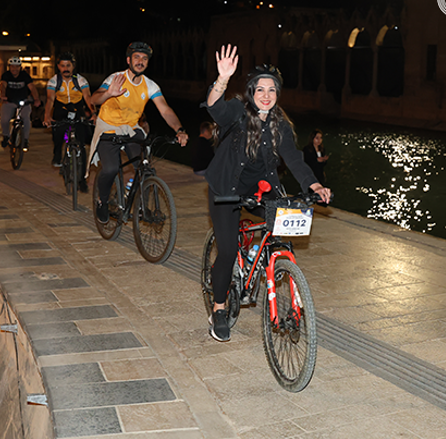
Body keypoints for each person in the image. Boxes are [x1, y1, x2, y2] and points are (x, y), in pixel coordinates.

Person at [202, 45, 331, 342]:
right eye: (260, 89)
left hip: (261, 188)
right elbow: (214, 108)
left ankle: (286, 289)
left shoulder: (280, 124)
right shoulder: (237, 111)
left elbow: (294, 159)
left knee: (283, 231)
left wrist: (314, 186)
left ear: (277, 94)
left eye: (271, 90)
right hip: (226, 190)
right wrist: (222, 80)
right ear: (251, 91)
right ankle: (219, 308)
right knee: (228, 250)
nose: (266, 95)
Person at [88, 42, 188, 222]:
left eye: (144, 58)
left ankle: (142, 207)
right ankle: (102, 201)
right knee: (110, 168)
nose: (140, 61)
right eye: (136, 57)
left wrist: (179, 129)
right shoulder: (116, 78)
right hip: (108, 128)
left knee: (145, 169)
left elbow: (165, 110)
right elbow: (94, 98)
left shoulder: (150, 86)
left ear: (148, 63)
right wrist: (109, 93)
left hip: (131, 129)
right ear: (128, 60)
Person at [43, 53, 94, 189]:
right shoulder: (54, 81)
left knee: (81, 144)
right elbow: (50, 99)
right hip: (61, 108)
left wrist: (94, 113)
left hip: (77, 108)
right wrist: (47, 116)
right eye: (62, 66)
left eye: (68, 66)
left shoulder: (80, 80)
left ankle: (82, 180)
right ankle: (57, 155)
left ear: (73, 66)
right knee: (58, 131)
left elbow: (88, 96)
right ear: (58, 67)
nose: (66, 69)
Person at [0, 57, 41, 150]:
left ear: (20, 67)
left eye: (17, 67)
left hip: (23, 101)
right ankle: (6, 136)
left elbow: (32, 88)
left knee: (26, 119)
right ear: (9, 67)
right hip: (9, 100)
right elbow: (3, 85)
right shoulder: (6, 75)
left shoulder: (25, 76)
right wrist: (3, 95)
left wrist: (36, 99)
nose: (14, 69)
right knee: (4, 119)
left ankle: (25, 139)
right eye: (12, 67)